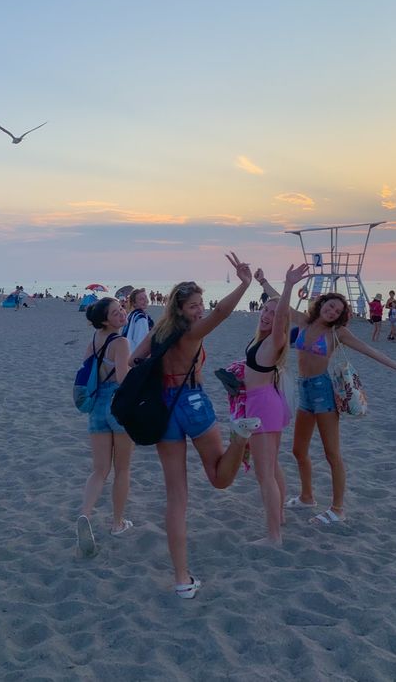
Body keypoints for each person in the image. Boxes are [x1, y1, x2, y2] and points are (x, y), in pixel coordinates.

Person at [129, 253, 261, 598]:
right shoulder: (190, 333)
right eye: (193, 306)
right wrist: (245, 283)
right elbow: (222, 313)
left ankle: (182, 580)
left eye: (201, 305)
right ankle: (240, 438)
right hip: (192, 402)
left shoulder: (159, 332)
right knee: (220, 479)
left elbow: (133, 360)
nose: (200, 310)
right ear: (180, 308)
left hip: (163, 408)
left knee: (176, 497)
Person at [266, 265, 396, 526]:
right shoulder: (305, 322)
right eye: (329, 305)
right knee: (298, 450)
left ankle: (338, 508)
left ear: (340, 316)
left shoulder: (338, 333)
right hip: (304, 390)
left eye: (337, 310)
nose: (332, 311)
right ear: (321, 304)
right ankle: (307, 496)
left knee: (332, 453)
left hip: (323, 392)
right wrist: (264, 281)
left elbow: (368, 350)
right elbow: (280, 304)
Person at [240, 277, 297, 544]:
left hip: (262, 405)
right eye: (265, 310)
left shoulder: (276, 339)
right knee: (272, 467)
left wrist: (288, 286)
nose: (267, 316)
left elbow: (281, 317)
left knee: (264, 475)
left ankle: (273, 535)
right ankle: (280, 516)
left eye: (274, 315)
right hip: (263, 402)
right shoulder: (259, 340)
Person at [76, 298, 134, 558]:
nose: (122, 314)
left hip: (97, 406)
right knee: (122, 468)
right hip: (117, 406)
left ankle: (85, 514)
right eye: (116, 312)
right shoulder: (120, 342)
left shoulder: (93, 342)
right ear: (105, 320)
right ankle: (117, 523)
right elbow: (122, 378)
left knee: (99, 470)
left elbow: (88, 375)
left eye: (122, 309)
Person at [123, 288, 154, 353]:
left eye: (145, 297)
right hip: (136, 356)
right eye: (141, 299)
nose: (145, 300)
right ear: (134, 303)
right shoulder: (141, 318)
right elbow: (142, 341)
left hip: (127, 351)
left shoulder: (131, 314)